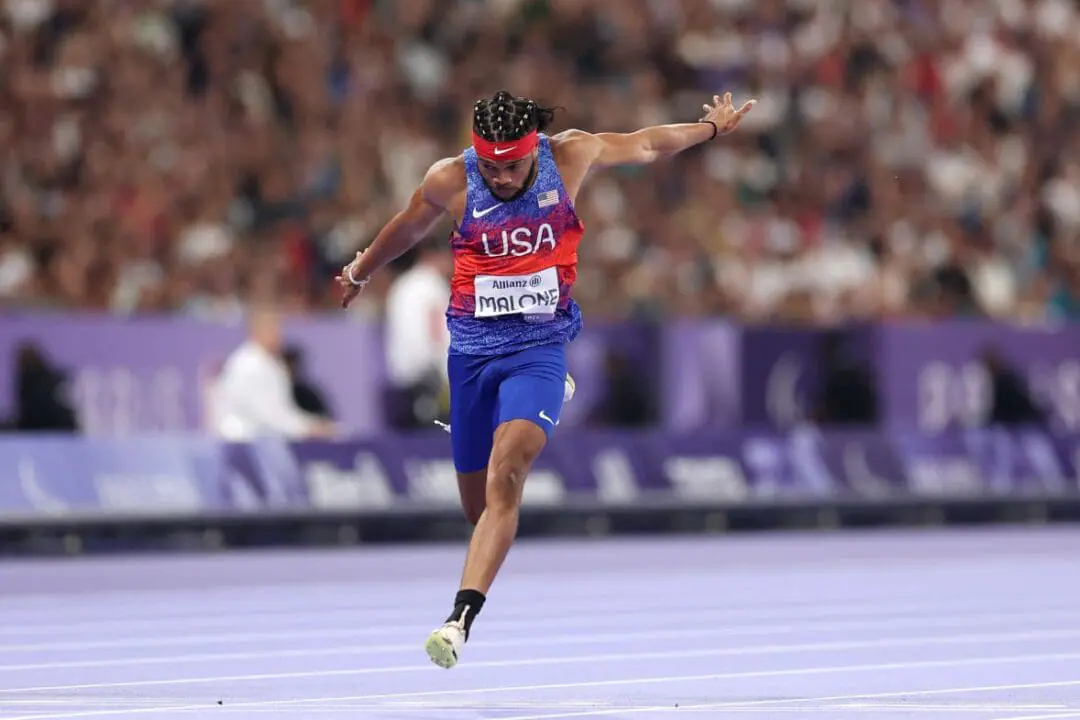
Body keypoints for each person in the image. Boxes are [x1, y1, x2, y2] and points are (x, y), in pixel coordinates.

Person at [335, 89, 755, 669]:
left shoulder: (570, 156)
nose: (503, 177)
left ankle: (458, 620)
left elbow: (649, 145)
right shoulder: (450, 180)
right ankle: (534, 409)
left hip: (538, 346)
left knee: (508, 473)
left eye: (514, 164)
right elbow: (407, 227)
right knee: (477, 507)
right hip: (472, 357)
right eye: (492, 165)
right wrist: (361, 270)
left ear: (534, 145)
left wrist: (709, 130)